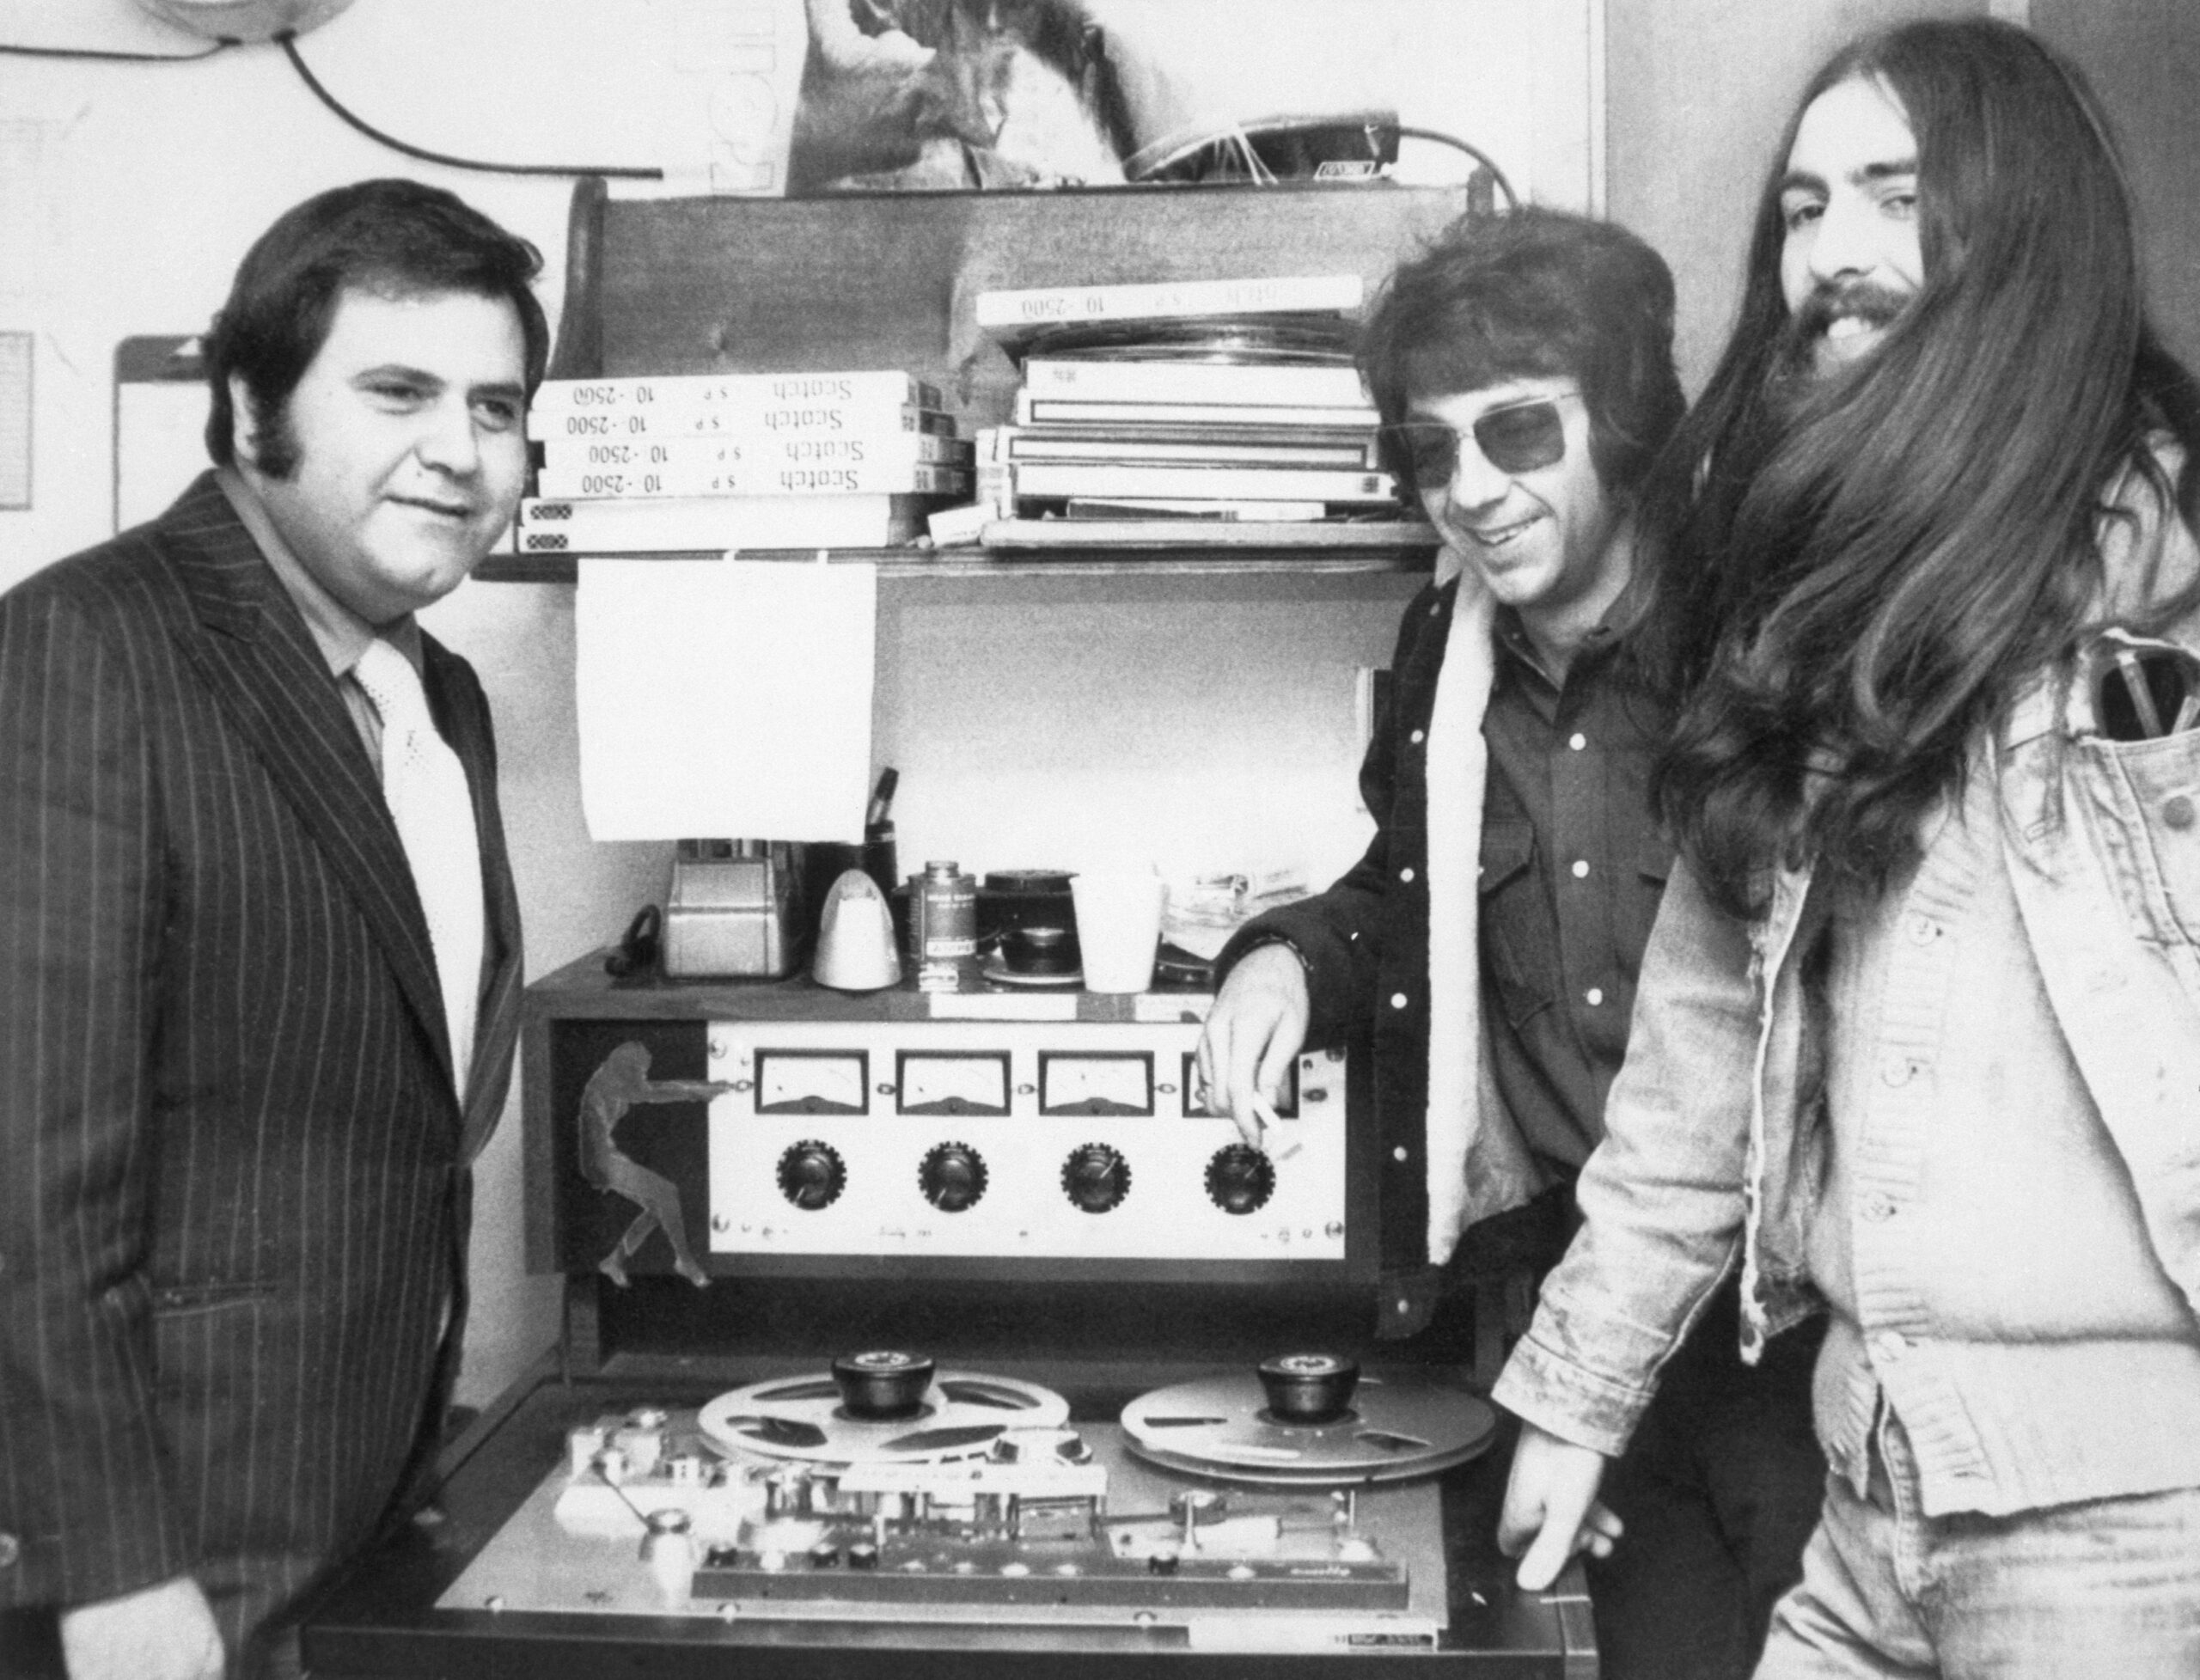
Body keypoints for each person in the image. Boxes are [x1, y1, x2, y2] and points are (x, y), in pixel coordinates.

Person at [1494, 19, 2200, 1677]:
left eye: (1896, 195)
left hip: (2126, 1526)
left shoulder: (2162, 575)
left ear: (2022, 231)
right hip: (1873, 1498)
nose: (1835, 252)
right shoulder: (1817, 608)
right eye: (1806, 209)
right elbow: (1698, 1058)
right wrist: (1580, 1402)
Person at [1195, 206, 1826, 1678]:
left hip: (1791, 1333)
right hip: (1575, 1312)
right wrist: (1285, 956)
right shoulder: (1447, 661)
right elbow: (1409, 900)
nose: (1471, 491)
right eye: (1433, 453)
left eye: (1521, 433)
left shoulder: (1771, 651)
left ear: (1625, 422)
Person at [0, 178, 547, 1680]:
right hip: (155, 1566)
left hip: (355, 1512)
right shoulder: (87, 645)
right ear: (251, 413)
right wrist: (115, 1574)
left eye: (496, 407)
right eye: (399, 391)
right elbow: (29, 1165)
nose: (461, 450)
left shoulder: (441, 697)